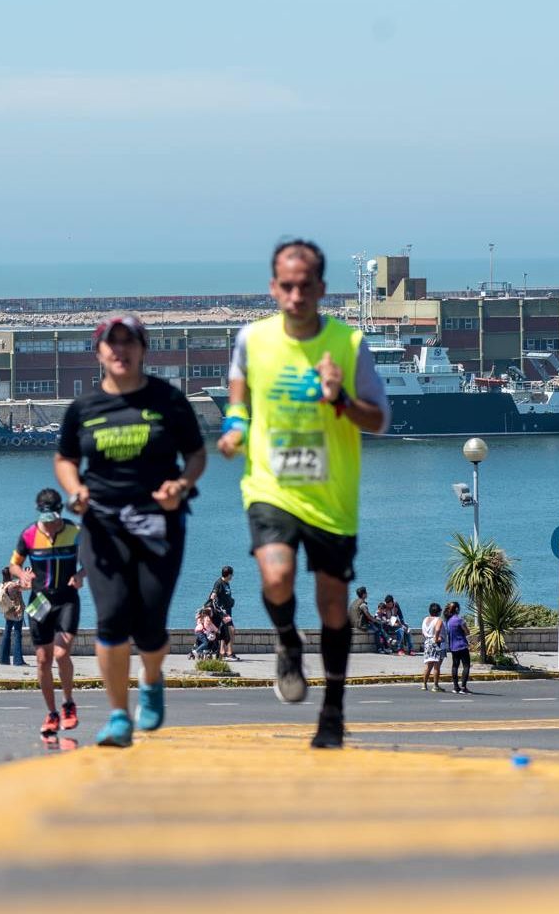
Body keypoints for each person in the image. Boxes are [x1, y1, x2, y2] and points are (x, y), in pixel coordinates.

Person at [217, 239, 390, 749]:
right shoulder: (251, 340)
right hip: (269, 485)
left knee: (333, 606)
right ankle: (288, 642)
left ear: (321, 289)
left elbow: (379, 420)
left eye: (304, 286)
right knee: (276, 574)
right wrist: (233, 431)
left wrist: (340, 399)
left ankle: (333, 707)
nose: (295, 295)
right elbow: (237, 404)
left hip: (330, 494)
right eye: (285, 286)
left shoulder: (349, 344)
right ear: (274, 288)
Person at [56, 314, 206, 748]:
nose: (119, 351)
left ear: (143, 349)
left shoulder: (168, 400)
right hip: (102, 524)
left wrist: (181, 485)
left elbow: (196, 455)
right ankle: (119, 715)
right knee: (111, 618)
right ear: (99, 351)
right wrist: (74, 489)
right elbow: (65, 459)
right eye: (111, 343)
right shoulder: (84, 409)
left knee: (151, 627)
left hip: (158, 522)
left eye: (129, 343)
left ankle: (153, 678)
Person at [12, 487, 85, 737]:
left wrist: (80, 575)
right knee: (43, 659)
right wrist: (22, 575)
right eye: (46, 521)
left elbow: (92, 560)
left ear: (59, 513)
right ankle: (52, 713)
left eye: (54, 520)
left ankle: (68, 704)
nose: (50, 526)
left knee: (62, 653)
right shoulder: (29, 535)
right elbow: (14, 563)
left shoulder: (75, 532)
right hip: (39, 601)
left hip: (66, 600)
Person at [209, 565, 239, 660]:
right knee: (231, 630)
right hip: (222, 613)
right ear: (228, 575)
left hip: (228, 612)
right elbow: (213, 595)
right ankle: (229, 653)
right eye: (231, 575)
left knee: (225, 631)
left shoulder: (227, 583)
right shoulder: (219, 583)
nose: (232, 577)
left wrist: (231, 601)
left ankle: (222, 652)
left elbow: (226, 596)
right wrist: (215, 603)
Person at [444, 602, 472, 694]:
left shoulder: (448, 621)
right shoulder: (459, 620)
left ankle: (456, 687)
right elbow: (467, 632)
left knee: (455, 666)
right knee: (466, 666)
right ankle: (463, 687)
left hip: (453, 646)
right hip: (462, 645)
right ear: (456, 609)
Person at [349, 586, 386, 652]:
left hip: (353, 624)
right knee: (377, 630)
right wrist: (377, 621)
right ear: (363, 594)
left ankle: (384, 646)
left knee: (376, 625)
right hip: (360, 625)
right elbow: (368, 615)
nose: (367, 594)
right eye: (366, 593)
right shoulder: (363, 604)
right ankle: (380, 648)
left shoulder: (354, 602)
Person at [420, 603, 446, 692]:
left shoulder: (425, 619)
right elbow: (438, 629)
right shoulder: (438, 620)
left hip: (427, 642)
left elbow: (423, 632)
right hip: (436, 642)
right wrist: (436, 637)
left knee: (428, 665)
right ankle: (435, 685)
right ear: (438, 612)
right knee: (436, 665)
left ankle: (424, 684)